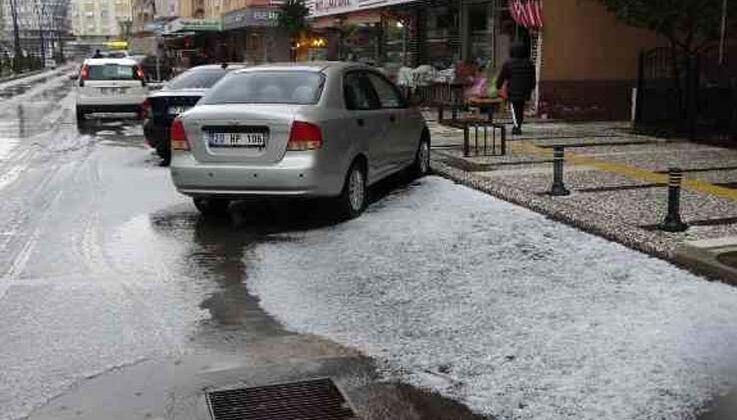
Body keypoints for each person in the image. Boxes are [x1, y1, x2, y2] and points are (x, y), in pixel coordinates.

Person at [496, 42, 536, 135]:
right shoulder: (529, 63)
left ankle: (517, 126)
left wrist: (498, 86)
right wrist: (531, 87)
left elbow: (502, 76)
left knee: (514, 108)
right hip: (525, 89)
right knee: (520, 108)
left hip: (513, 89)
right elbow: (532, 77)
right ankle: (518, 124)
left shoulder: (508, 63)